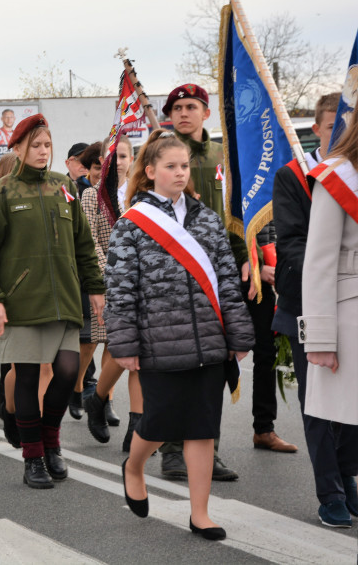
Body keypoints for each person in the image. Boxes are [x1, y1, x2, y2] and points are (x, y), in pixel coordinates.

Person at [106, 130, 254, 541]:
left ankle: (200, 513)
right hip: (158, 340)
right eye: (170, 166)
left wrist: (238, 334)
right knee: (157, 423)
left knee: (202, 427)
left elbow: (227, 280)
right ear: (150, 171)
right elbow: (121, 289)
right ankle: (134, 466)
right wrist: (125, 344)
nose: (179, 172)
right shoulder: (132, 224)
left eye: (184, 166)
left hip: (208, 340)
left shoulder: (207, 218)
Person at [0, 115, 104, 488]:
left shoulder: (64, 187)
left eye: (47, 145)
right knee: (27, 378)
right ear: (18, 148)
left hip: (62, 299)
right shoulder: (1, 193)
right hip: (21, 302)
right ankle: (33, 458)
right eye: (35, 145)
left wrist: (95, 287)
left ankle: (51, 443)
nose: (43, 151)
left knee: (66, 373)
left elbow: (82, 243)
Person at [164, 83, 260, 480]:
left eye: (192, 106)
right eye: (177, 107)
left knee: (213, 368)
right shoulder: (161, 155)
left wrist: (245, 261)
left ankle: (208, 450)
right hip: (173, 273)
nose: (184, 113)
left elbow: (237, 212)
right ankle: (171, 451)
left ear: (206, 113)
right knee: (176, 364)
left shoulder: (225, 156)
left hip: (217, 274)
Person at [292, 104, 358, 527]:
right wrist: (319, 338)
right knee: (342, 417)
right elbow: (318, 261)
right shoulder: (338, 176)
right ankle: (334, 488)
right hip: (351, 312)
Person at [78, 136, 141, 450]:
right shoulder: (91, 196)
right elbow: (89, 242)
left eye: (124, 156)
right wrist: (110, 278)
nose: (118, 162)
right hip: (111, 284)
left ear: (132, 160)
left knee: (140, 358)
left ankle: (136, 429)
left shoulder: (142, 196)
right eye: (112, 156)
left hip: (145, 287)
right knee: (117, 351)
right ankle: (96, 398)